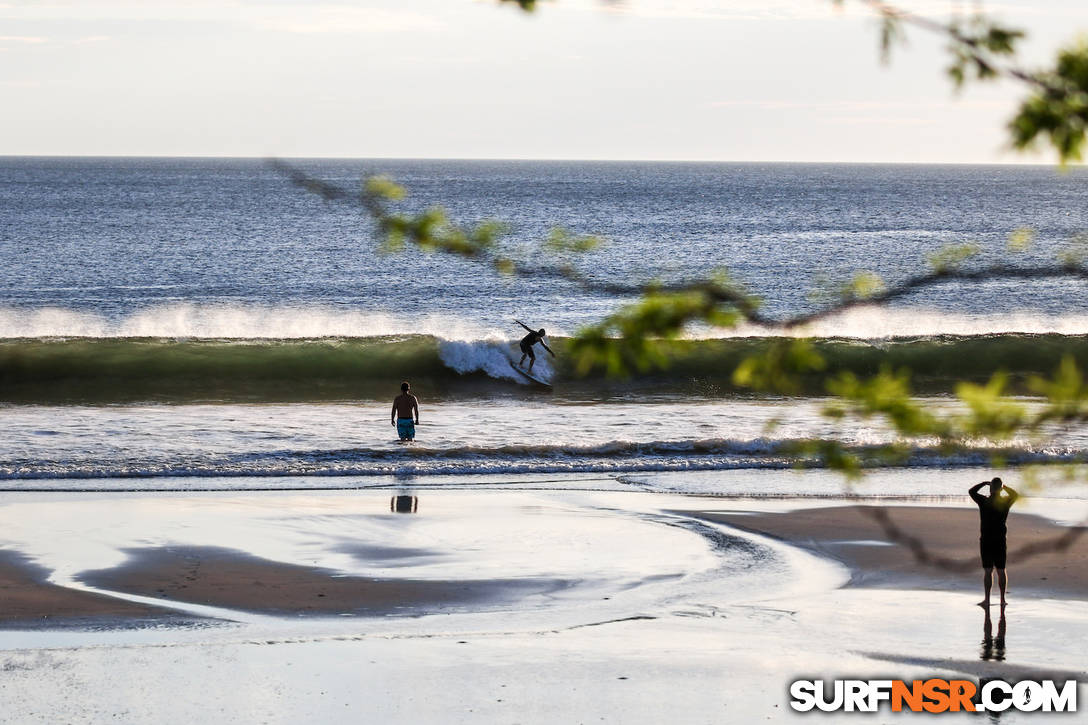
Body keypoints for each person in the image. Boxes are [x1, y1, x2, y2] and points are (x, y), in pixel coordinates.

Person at [969, 477, 1019, 607]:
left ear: (990, 489)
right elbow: (1015, 495)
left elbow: (971, 491)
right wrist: (1005, 487)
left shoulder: (984, 501)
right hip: (1000, 540)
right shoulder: (1005, 502)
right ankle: (1002, 600)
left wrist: (983, 483)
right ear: (1000, 489)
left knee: (988, 570)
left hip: (986, 540)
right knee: (1001, 570)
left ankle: (987, 599)